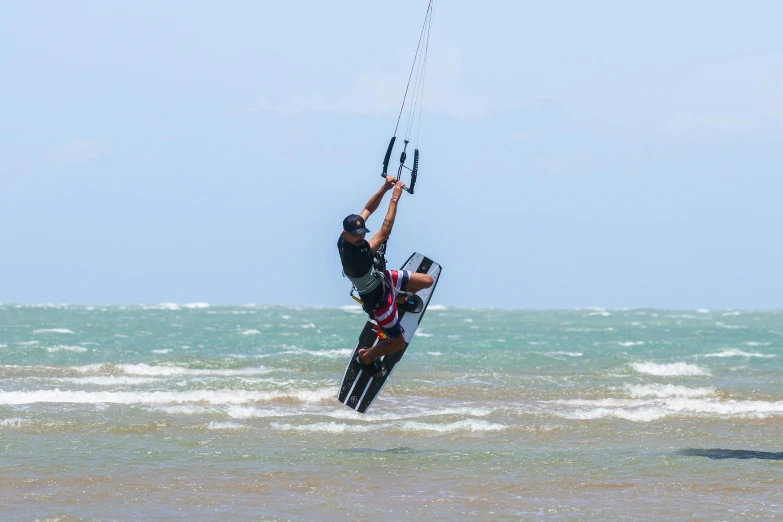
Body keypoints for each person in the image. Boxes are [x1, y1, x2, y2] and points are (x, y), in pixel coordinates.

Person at [337, 176, 434, 375]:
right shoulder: (357, 256)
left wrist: (384, 188)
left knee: (427, 281)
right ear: (346, 234)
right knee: (398, 342)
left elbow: (368, 209)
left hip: (384, 279)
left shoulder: (345, 237)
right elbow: (385, 232)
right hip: (378, 302)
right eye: (356, 235)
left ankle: (399, 299)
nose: (361, 237)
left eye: (362, 233)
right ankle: (366, 356)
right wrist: (395, 198)